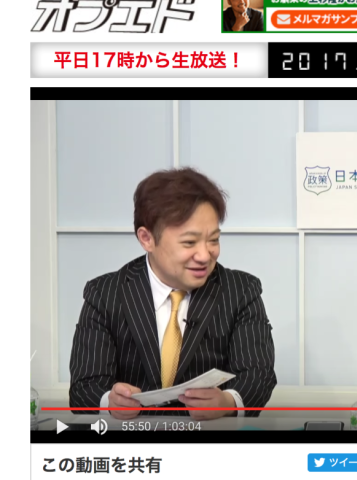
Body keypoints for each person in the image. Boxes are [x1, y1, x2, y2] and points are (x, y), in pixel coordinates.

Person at [69, 168, 277, 420]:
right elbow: (83, 389)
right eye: (189, 242)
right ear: (147, 239)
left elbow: (258, 375)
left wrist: (227, 401)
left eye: (213, 240)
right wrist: (110, 402)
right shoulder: (105, 294)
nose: (204, 255)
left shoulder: (241, 291)